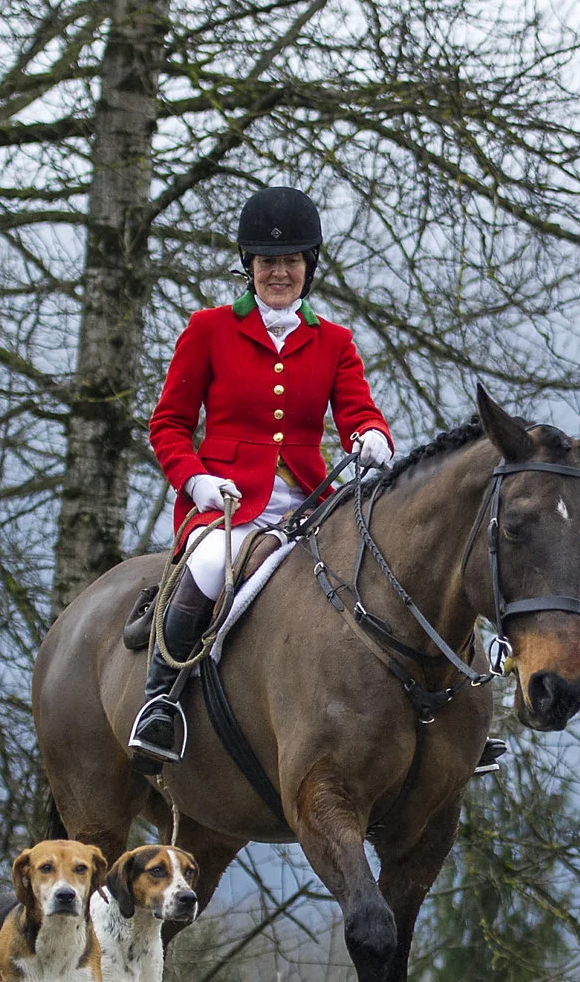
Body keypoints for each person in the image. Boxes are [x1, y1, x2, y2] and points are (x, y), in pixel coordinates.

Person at [131, 186, 395, 764]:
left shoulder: (334, 343)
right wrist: (196, 480)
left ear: (309, 267)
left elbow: (359, 412)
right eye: (269, 262)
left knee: (387, 569)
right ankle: (161, 701)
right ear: (250, 267)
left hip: (310, 503)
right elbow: (168, 426)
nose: (280, 272)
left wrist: (372, 435)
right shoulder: (209, 330)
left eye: (291, 262)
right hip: (226, 504)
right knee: (207, 565)